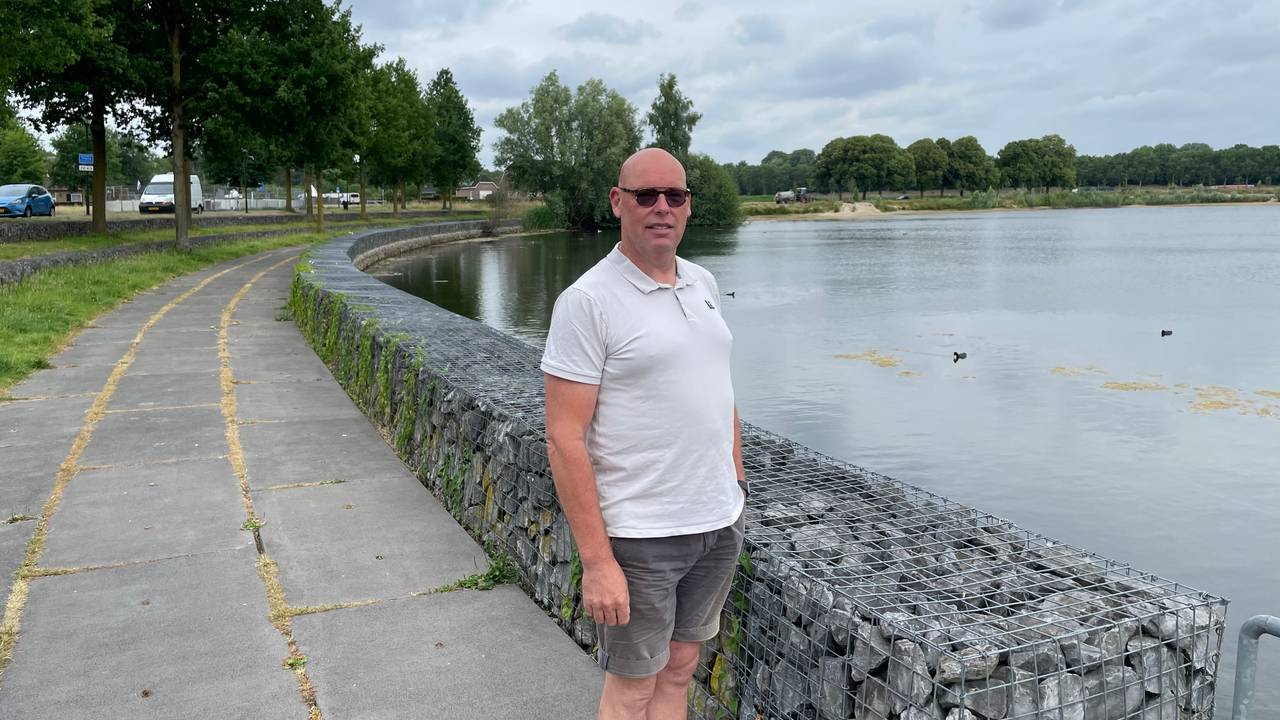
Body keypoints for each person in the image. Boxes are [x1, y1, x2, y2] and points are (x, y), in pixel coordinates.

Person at [541, 148, 747, 720]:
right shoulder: (587, 301)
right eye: (646, 196)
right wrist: (598, 561)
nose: (662, 208)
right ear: (618, 202)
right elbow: (563, 437)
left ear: (687, 206)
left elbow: (717, 384)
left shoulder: (702, 280)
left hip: (717, 522)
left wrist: (735, 474)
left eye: (674, 196)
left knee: (680, 671)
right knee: (632, 689)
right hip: (641, 535)